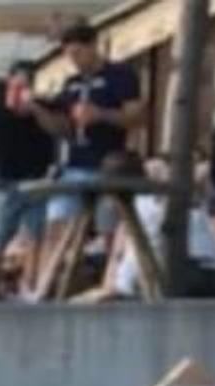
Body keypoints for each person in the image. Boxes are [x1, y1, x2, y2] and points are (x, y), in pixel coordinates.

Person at [26, 20, 145, 294]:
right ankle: (49, 288)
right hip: (75, 164)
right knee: (57, 226)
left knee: (109, 230)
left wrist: (100, 114)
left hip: (109, 164)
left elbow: (137, 117)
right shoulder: (72, 84)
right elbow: (64, 128)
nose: (75, 61)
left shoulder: (121, 76)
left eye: (79, 53)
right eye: (70, 55)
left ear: (93, 46)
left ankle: (112, 285)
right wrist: (38, 112)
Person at [0, 60, 57, 301]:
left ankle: (29, 290)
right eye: (19, 84)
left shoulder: (42, 108)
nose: (24, 89)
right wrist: (12, 106)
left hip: (37, 181)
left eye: (28, 84)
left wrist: (34, 108)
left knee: (36, 237)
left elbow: (55, 130)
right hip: (8, 183)